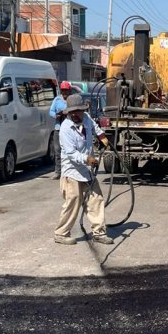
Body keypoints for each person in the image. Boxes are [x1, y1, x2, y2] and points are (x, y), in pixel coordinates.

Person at [55, 94, 112, 246]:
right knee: (73, 202)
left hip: (87, 171)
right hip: (72, 171)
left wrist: (103, 138)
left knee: (96, 200)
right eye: (72, 112)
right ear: (68, 112)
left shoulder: (86, 118)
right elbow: (72, 154)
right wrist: (88, 159)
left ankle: (99, 233)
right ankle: (61, 233)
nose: (75, 114)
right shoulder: (65, 129)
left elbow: (95, 127)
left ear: (82, 110)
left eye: (78, 111)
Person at [48, 80, 72, 178]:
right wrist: (56, 116)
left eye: (66, 90)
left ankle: (69, 171)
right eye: (63, 90)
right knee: (57, 150)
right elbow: (51, 111)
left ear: (69, 91)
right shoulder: (57, 100)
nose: (64, 93)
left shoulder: (72, 100)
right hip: (58, 128)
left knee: (69, 150)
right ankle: (58, 171)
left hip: (70, 129)